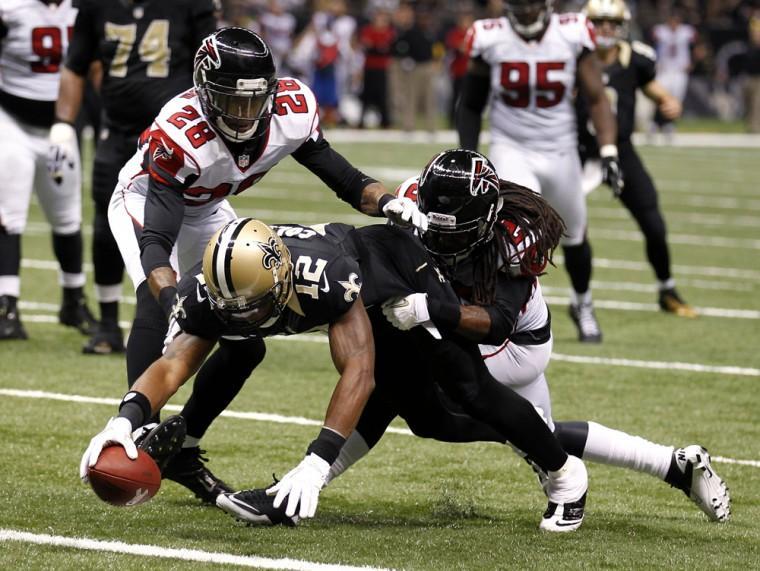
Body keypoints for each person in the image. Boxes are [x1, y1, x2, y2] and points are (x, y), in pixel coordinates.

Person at [223, 149, 729, 528]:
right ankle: (674, 465)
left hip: (512, 341)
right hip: (447, 317)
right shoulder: (421, 202)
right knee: (428, 396)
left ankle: (301, 485)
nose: (440, 242)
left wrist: (431, 306)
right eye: (434, 231)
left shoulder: (515, 233)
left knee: (443, 404)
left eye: (455, 233)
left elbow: (499, 319)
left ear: (484, 221)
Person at [82, 216, 588, 531]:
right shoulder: (213, 286)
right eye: (228, 308)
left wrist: (317, 461)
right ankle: (287, 496)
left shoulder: (327, 280)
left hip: (392, 276)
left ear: (280, 286)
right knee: (425, 416)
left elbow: (358, 371)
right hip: (341, 286)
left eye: (252, 309)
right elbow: (174, 361)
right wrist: (125, 418)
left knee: (466, 394)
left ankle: (564, 469)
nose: (240, 320)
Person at [106, 27, 426, 499]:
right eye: (233, 101)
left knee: (245, 344)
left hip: (210, 206)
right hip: (148, 199)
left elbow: (345, 179)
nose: (246, 113)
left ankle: (182, 446)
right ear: (205, 93)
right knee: (161, 309)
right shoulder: (181, 133)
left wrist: (388, 202)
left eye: (255, 100)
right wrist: (172, 295)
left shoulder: (291, 112)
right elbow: (156, 240)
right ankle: (138, 431)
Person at [52, 0, 218, 354]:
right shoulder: (97, 7)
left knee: (185, 224)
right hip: (118, 130)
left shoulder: (190, 6)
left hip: (175, 138)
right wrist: (64, 124)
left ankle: (196, 316)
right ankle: (108, 324)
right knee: (105, 222)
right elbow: (76, 64)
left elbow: (212, 65)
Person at [456, 0, 623, 343]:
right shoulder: (489, 36)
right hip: (511, 147)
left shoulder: (573, 32)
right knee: (513, 236)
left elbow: (596, 97)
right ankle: (508, 312)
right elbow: (471, 103)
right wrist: (469, 153)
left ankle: (583, 303)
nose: (526, 12)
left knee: (574, 233)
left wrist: (608, 150)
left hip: (561, 150)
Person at [578, 0, 696, 317]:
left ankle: (666, 289)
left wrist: (669, 101)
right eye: (599, 22)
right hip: (576, 152)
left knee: (653, 221)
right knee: (565, 230)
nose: (605, 29)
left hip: (621, 151)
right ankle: (578, 299)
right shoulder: (571, 56)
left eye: (611, 23)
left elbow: (652, 88)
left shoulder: (636, 58)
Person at [0, 0, 96, 341]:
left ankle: (73, 300)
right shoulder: (10, 8)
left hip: (61, 126)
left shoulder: (84, 8)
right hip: (12, 122)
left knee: (67, 216)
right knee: (8, 214)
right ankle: (6, 305)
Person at [650, 9, 695, 138]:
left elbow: (699, 47)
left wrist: (692, 62)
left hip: (679, 71)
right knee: (661, 97)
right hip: (664, 70)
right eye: (672, 20)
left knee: (676, 100)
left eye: (677, 20)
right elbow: (651, 46)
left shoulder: (687, 31)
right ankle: (656, 123)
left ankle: (669, 124)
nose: (674, 23)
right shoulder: (660, 31)